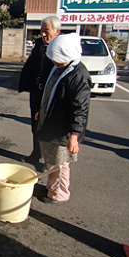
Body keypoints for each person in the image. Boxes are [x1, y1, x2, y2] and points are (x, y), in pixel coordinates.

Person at [36, 33, 91, 203]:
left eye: (58, 59)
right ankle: (51, 186)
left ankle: (59, 194)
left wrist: (74, 135)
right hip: (52, 123)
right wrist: (42, 111)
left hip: (63, 130)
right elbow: (50, 93)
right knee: (52, 160)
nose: (54, 62)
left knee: (60, 163)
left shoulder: (79, 76)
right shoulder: (61, 68)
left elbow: (80, 109)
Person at [18, 15, 61, 167]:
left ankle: (49, 161)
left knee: (48, 127)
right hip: (37, 92)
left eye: (46, 31)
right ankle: (36, 153)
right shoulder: (39, 46)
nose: (43, 34)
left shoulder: (61, 49)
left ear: (57, 31)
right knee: (35, 125)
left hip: (51, 95)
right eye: (41, 31)